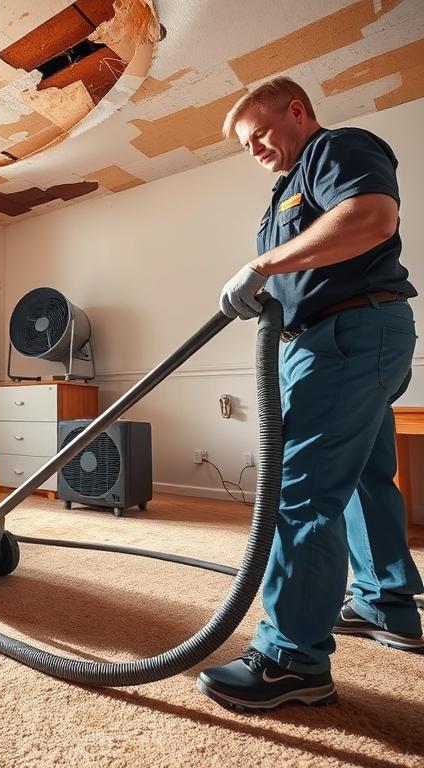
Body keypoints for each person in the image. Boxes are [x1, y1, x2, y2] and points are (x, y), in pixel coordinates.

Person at [198, 76, 423, 713]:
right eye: (245, 144)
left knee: (303, 488)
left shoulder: (336, 150)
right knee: (364, 478)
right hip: (344, 336)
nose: (255, 149)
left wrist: (264, 268)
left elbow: (373, 219)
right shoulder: (281, 199)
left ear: (297, 111)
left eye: (260, 133)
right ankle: (388, 604)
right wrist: (271, 284)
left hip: (347, 335)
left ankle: (290, 659)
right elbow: (310, 260)